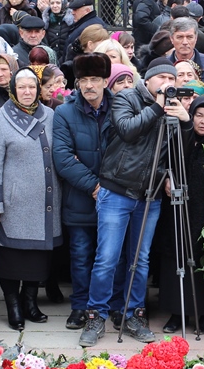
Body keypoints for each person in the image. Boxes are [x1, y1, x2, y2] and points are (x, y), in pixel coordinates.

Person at [77, 61, 192, 347]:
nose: (167, 82)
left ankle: (133, 315)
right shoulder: (126, 97)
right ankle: (95, 316)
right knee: (107, 259)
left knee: (139, 261)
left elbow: (178, 151)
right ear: (149, 80)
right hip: (116, 191)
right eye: (162, 77)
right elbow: (128, 130)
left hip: (149, 196)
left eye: (171, 77)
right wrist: (157, 106)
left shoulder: (173, 106)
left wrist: (185, 122)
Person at [0, 68, 62, 330]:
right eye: (21, 87)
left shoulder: (50, 115)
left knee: (38, 258)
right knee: (11, 261)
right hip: (13, 205)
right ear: (13, 90)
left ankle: (30, 303)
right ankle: (13, 307)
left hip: (44, 204)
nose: (27, 92)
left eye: (31, 87)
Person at [52, 54, 113, 330]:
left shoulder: (119, 108)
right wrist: (94, 186)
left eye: (95, 80)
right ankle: (80, 306)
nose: (89, 86)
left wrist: (108, 186)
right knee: (80, 254)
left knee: (113, 255)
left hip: (115, 196)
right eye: (84, 80)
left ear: (104, 81)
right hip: (80, 197)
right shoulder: (65, 112)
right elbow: (63, 158)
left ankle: (108, 305)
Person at [159, 96, 204, 333]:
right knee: (175, 258)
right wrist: (166, 179)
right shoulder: (180, 136)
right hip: (177, 208)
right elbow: (164, 162)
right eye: (199, 115)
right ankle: (177, 312)